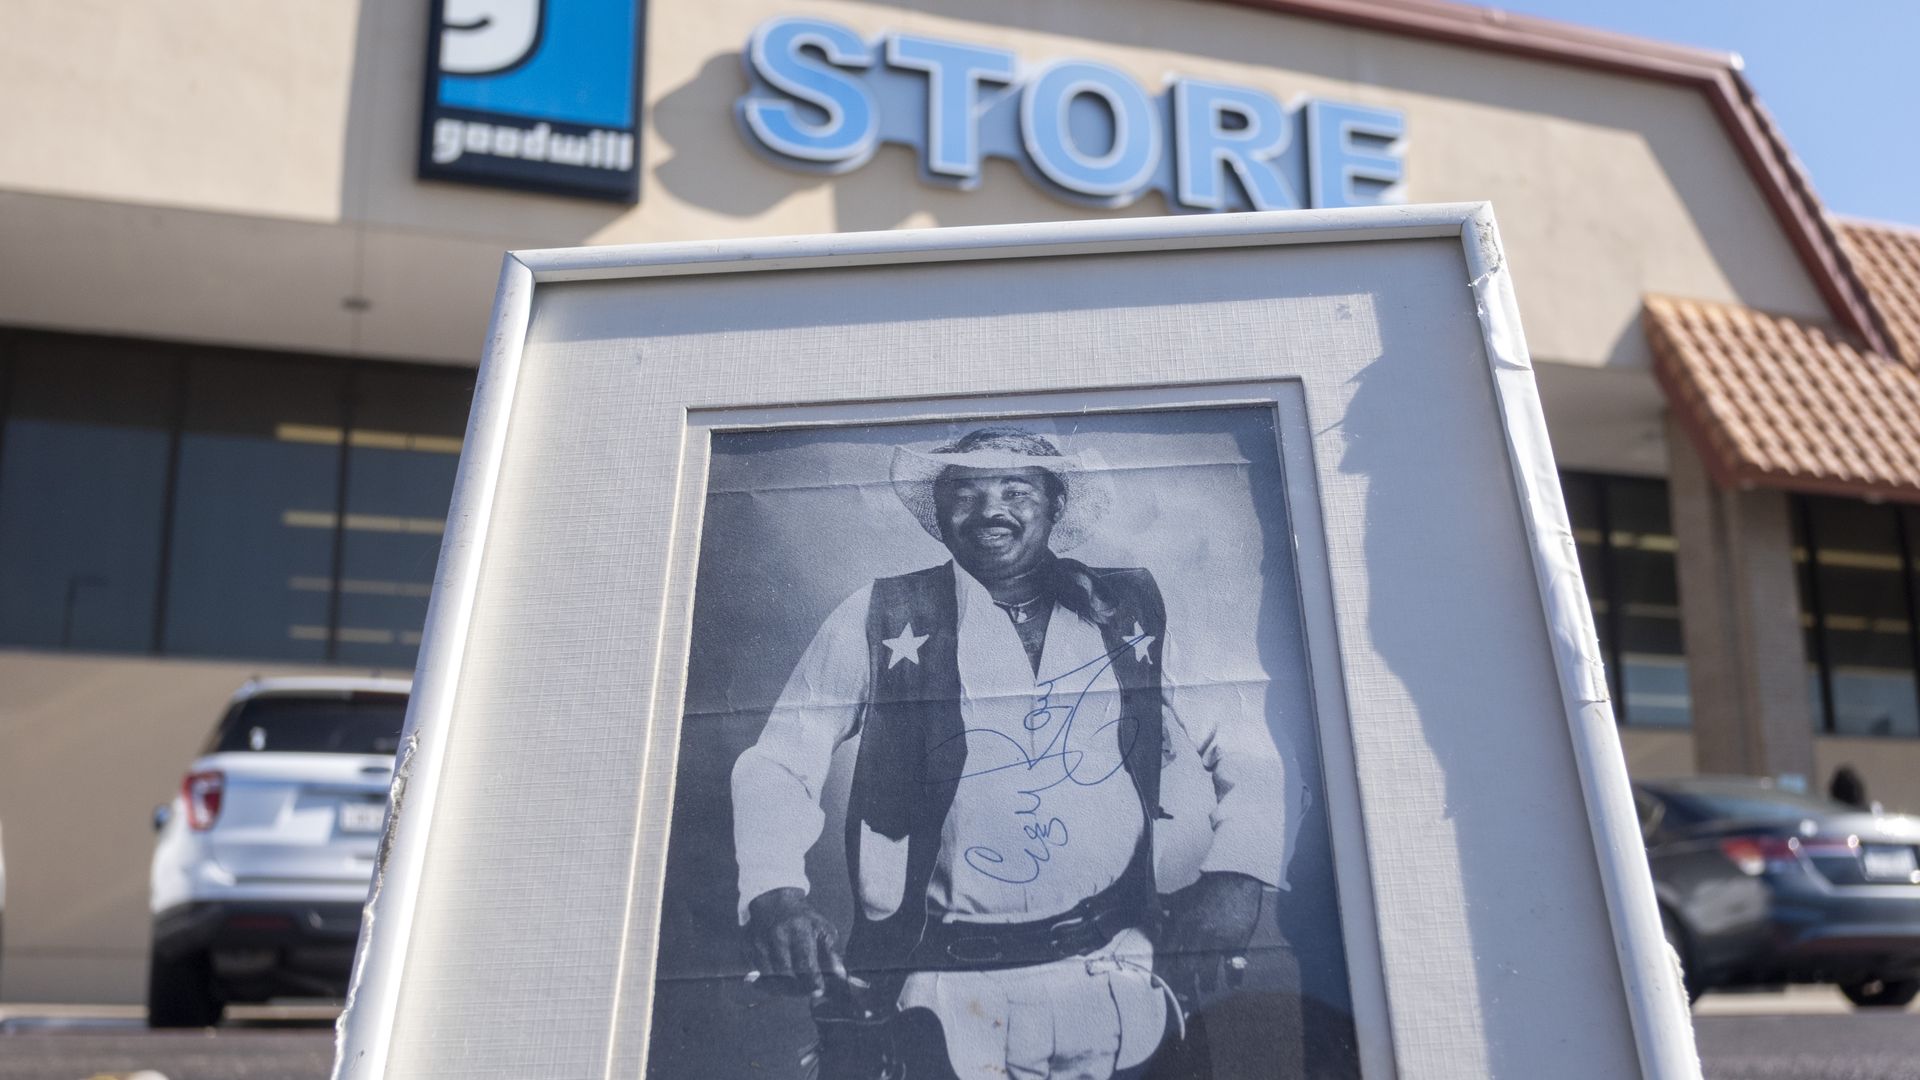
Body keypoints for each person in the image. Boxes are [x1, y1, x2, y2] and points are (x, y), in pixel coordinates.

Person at [731, 426, 1291, 1080]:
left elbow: (1249, 742)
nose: (989, 509)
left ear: (1055, 504)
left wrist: (1238, 873)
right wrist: (772, 888)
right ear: (939, 511)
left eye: (1015, 489)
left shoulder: (1134, 608)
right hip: (942, 992)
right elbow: (779, 761)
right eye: (964, 491)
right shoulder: (882, 615)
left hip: (1116, 971)